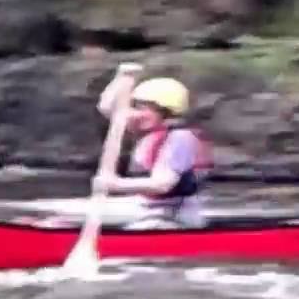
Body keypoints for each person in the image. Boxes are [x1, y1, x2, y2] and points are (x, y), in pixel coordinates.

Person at [91, 69, 213, 228]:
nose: (135, 115)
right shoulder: (145, 132)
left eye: (143, 108)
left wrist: (115, 183)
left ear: (166, 113)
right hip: (148, 205)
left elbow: (162, 184)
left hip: (174, 213)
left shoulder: (180, 138)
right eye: (136, 107)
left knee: (138, 228)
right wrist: (120, 79)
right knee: (62, 214)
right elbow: (107, 108)